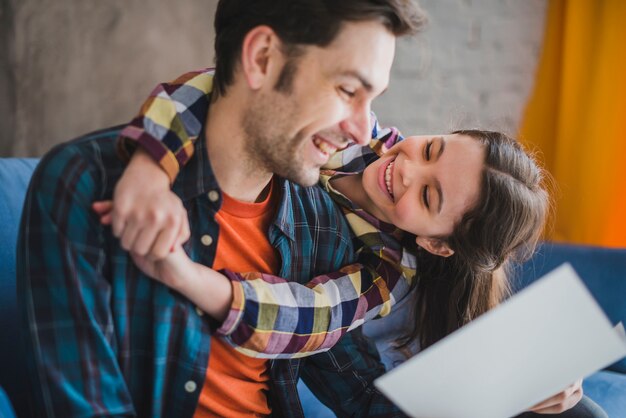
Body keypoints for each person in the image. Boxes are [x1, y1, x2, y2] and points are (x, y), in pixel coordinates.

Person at [99, 65, 605, 417]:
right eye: (430, 149)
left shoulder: (383, 273)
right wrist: (149, 164)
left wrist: (183, 274)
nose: (406, 170)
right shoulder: (362, 133)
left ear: (437, 245)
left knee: (579, 411)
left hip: (409, 387)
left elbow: (304, 317)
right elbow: (227, 89)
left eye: (428, 197)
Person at [17, 1, 429, 417]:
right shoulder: (85, 184)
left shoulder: (322, 227)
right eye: (346, 90)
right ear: (262, 58)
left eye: (371, 100)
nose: (363, 130)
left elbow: (359, 393)